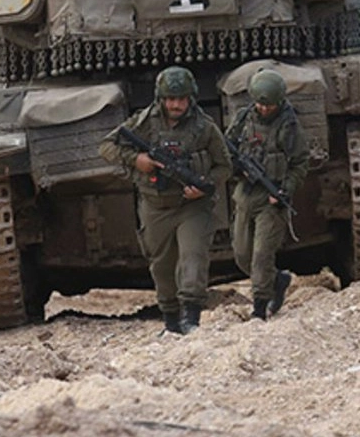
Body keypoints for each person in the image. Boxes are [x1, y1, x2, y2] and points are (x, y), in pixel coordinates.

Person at [100, 66, 231, 334]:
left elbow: (225, 166)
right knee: (162, 266)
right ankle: (171, 321)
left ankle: (191, 319)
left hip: (192, 206)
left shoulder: (204, 127)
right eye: (171, 99)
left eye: (181, 99)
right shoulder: (144, 122)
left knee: (193, 257)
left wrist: (205, 187)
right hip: (155, 206)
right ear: (161, 98)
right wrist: (137, 159)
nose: (176, 105)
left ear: (190, 98)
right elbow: (107, 146)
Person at [226, 68, 307, 320]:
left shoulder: (289, 126)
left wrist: (285, 189)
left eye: (269, 105)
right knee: (243, 256)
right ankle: (277, 280)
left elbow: (300, 162)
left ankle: (260, 308)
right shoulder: (244, 119)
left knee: (261, 256)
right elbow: (226, 149)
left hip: (271, 200)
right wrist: (238, 167)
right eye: (260, 104)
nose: (263, 109)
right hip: (245, 195)